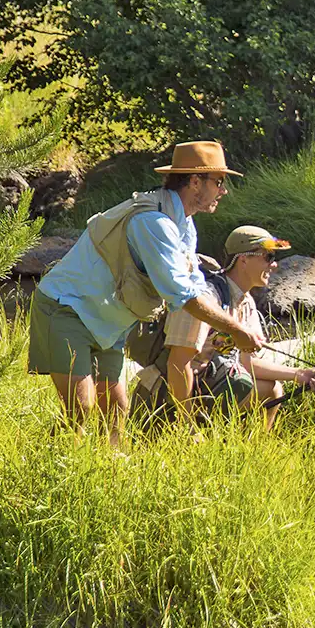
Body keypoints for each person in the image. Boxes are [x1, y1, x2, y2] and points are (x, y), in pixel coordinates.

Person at [28, 141, 264, 445]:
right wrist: (235, 328)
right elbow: (183, 296)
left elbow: (193, 287)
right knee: (79, 410)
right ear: (195, 182)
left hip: (109, 323)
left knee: (116, 411)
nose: (224, 190)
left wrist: (220, 332)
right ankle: (44, 467)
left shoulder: (184, 225)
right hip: (66, 309)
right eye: (218, 182)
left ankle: (111, 475)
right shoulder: (154, 223)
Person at [138, 225, 315, 429]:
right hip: (164, 399)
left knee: (273, 389)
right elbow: (177, 364)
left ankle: (252, 450)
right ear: (243, 259)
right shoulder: (204, 300)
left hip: (204, 388)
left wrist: (299, 374)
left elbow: (248, 363)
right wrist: (187, 425)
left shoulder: (246, 303)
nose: (274, 265)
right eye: (268, 257)